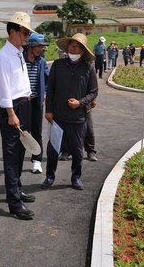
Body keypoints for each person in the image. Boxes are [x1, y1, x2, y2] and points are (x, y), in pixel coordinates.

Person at [41, 33, 98, 191]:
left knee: (77, 151)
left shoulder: (88, 68)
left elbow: (93, 92)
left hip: (78, 117)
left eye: (76, 46)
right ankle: (50, 177)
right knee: (53, 149)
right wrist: (49, 110)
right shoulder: (58, 65)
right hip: (58, 116)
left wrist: (80, 103)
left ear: (82, 50)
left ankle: (76, 177)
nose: (72, 48)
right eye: (71, 45)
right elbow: (50, 88)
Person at [0, 12, 36, 220]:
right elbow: (3, 89)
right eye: (25, 32)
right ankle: (14, 203)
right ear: (13, 31)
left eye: (28, 33)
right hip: (12, 107)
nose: (27, 36)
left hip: (24, 104)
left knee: (21, 151)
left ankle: (17, 190)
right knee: (11, 155)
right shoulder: (3, 56)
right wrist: (11, 113)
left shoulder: (19, 52)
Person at [23, 33, 50, 174]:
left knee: (36, 132)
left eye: (42, 46)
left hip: (36, 102)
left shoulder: (42, 62)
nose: (41, 49)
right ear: (30, 46)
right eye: (39, 46)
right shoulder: (20, 60)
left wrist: (44, 92)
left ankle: (37, 161)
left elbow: (48, 80)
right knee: (22, 132)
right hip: (22, 102)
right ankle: (17, 160)